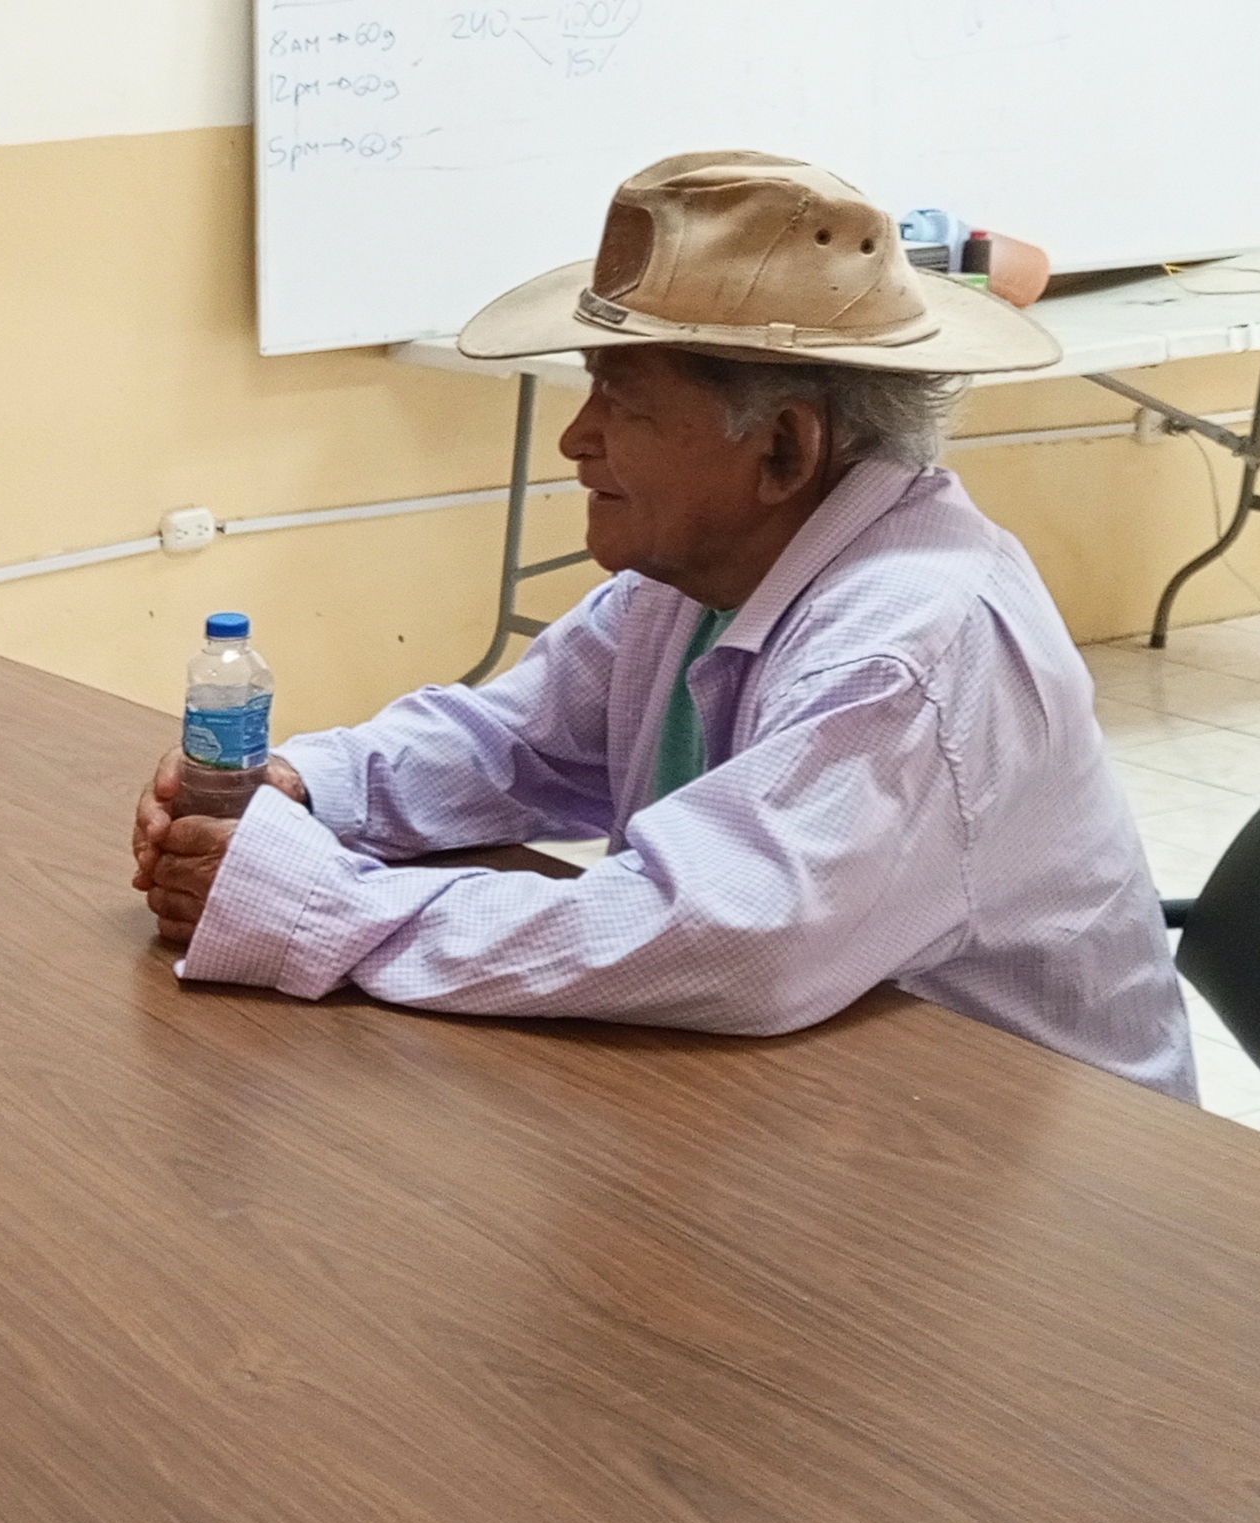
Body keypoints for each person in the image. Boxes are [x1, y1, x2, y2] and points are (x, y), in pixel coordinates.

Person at [132, 151, 1194, 1100]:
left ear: (783, 448)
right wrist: (305, 786)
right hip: (825, 1106)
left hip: (1032, 1169)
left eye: (625, 403)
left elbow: (719, 936)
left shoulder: (909, 642)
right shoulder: (704, 570)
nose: (576, 440)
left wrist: (319, 910)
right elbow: (515, 742)